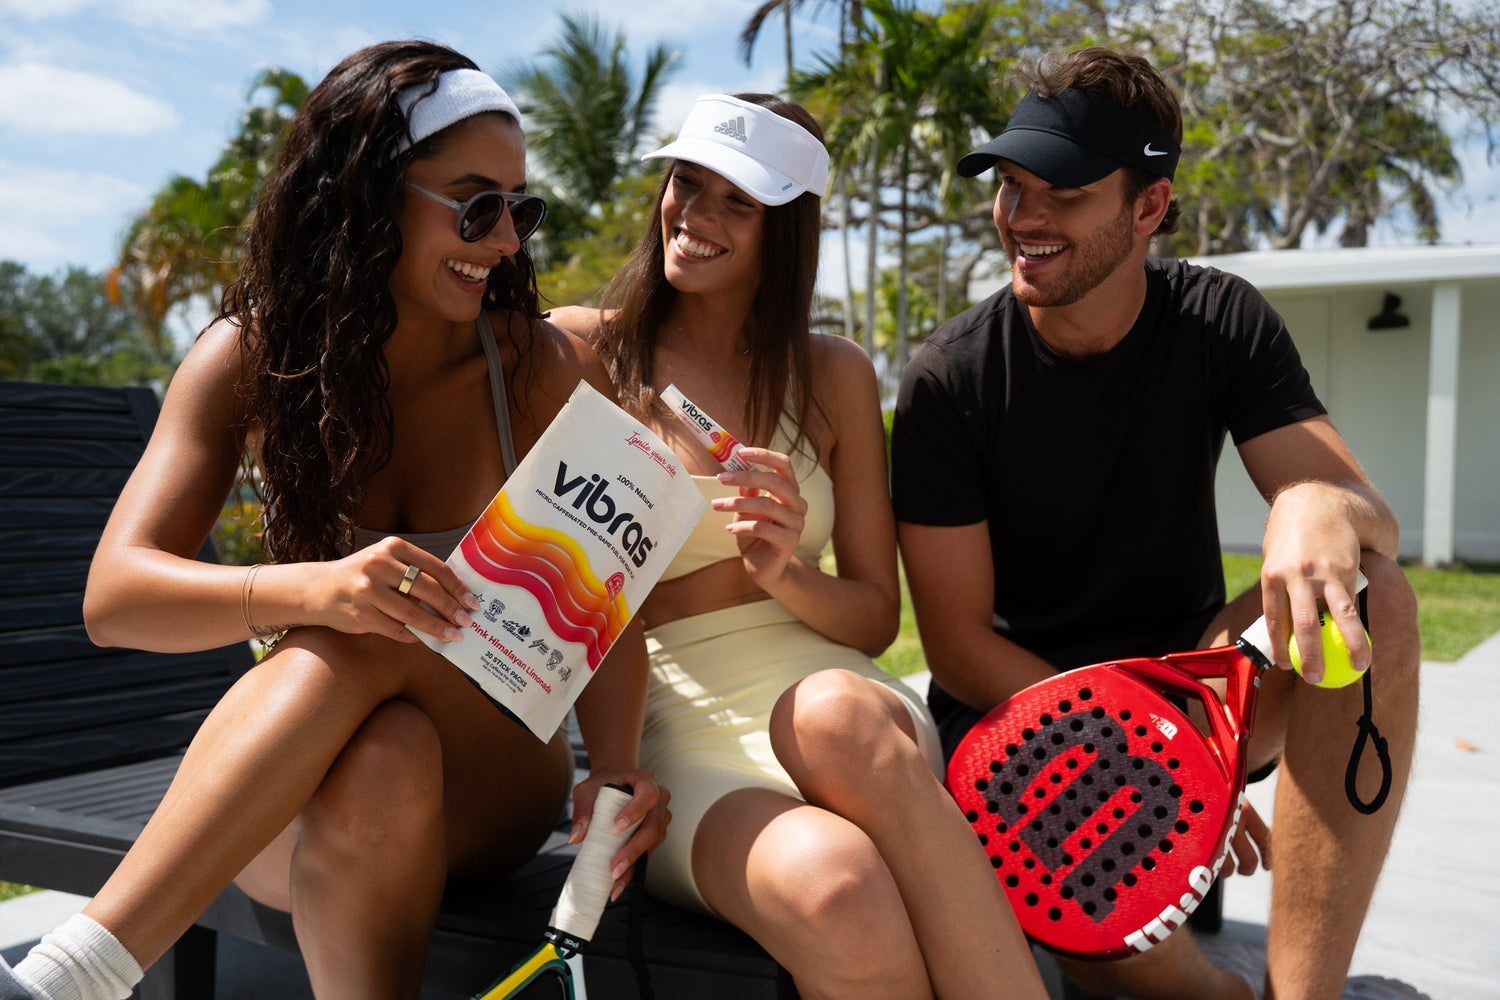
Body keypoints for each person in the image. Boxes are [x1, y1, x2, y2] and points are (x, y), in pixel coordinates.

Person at [0, 41, 666, 1000]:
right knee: (376, 728)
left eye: (523, 210)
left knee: (373, 626)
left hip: (493, 781)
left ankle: (74, 975)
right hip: (313, 789)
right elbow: (118, 598)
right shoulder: (250, 357)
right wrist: (312, 587)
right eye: (478, 206)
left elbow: (609, 602)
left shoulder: (536, 367)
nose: (508, 242)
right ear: (369, 191)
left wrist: (614, 769)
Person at [884, 46, 1421, 1000]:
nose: (1022, 216)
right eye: (1010, 186)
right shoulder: (950, 378)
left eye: (1063, 190)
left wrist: (1311, 504)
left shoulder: (1220, 318)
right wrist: (1152, 762)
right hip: (1026, 720)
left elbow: (1368, 517)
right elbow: (959, 648)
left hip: (1196, 681)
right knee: (1138, 967)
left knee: (1372, 596)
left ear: (1149, 207)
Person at [549, 93, 1047, 1000]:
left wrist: (784, 571)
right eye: (685, 183)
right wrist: (613, 770)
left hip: (847, 714)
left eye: (735, 200)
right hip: (676, 726)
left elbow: (872, 616)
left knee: (833, 714)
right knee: (835, 888)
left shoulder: (834, 373)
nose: (693, 216)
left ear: (788, 228)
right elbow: (557, 583)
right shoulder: (588, 354)